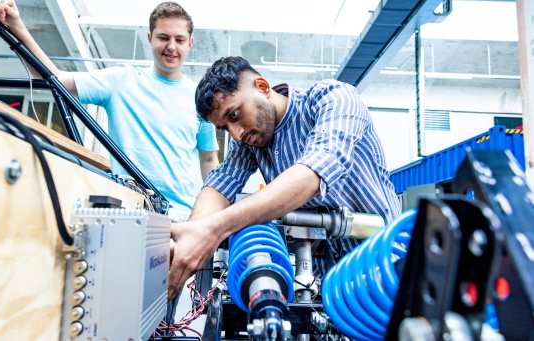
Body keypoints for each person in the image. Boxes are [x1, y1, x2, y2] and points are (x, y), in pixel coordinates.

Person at [168, 56, 401, 297]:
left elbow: (313, 173)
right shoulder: (251, 142)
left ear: (262, 87)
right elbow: (220, 184)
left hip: (388, 268)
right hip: (328, 285)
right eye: (225, 128)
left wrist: (213, 230)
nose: (236, 135)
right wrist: (190, 236)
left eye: (235, 115)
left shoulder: (332, 98)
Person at [0, 0, 219, 213]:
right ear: (149, 38)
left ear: (190, 42)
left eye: (179, 39)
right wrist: (17, 27)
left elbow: (208, 160)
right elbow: (53, 77)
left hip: (183, 218)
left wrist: (208, 215)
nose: (171, 46)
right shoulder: (120, 81)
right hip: (129, 211)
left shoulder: (199, 97)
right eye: (163, 37)